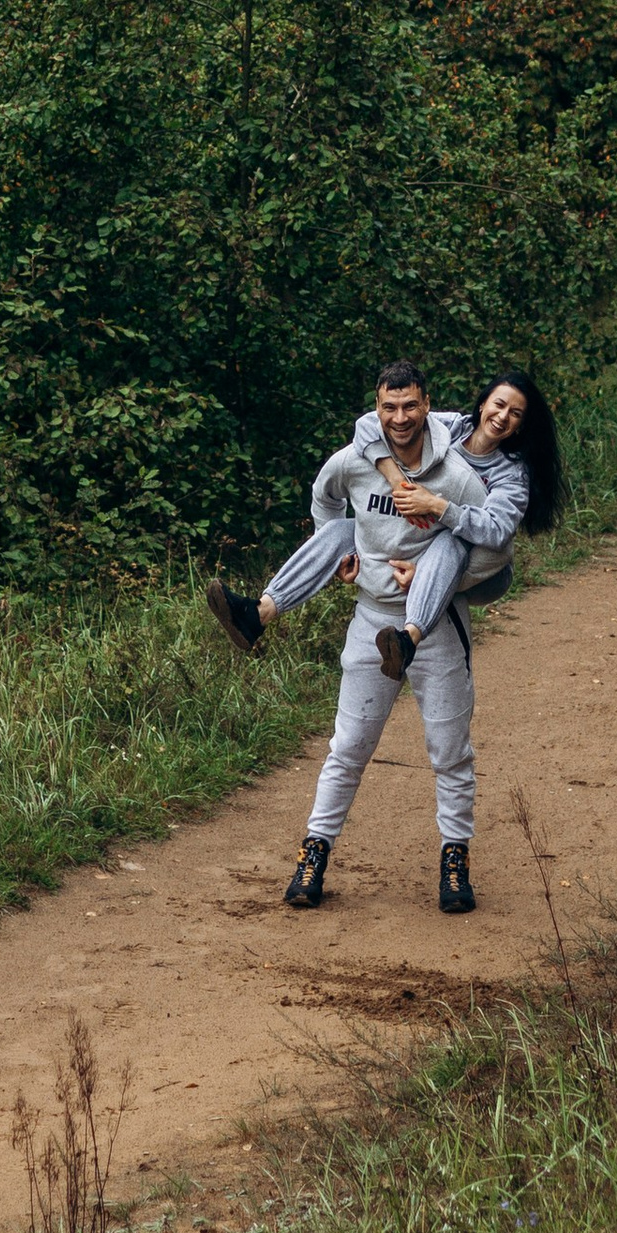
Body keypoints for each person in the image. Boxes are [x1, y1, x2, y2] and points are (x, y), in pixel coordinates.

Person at [205, 360, 553, 917]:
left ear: (426, 403)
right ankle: (312, 855)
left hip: (437, 618)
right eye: (390, 407)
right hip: (372, 619)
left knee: (448, 752)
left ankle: (454, 860)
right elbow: (334, 480)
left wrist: (438, 518)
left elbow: (497, 543)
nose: (400, 417)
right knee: (347, 748)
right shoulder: (373, 448)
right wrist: (349, 543)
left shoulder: (479, 476)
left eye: (409, 406)